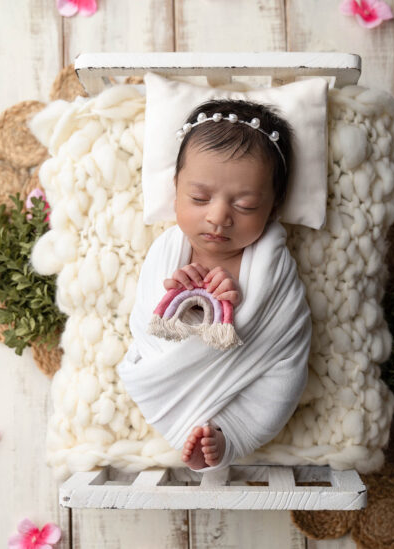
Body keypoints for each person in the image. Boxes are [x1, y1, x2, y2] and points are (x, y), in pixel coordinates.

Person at [117, 97, 311, 473]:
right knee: (138, 366)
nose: (218, 216)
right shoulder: (168, 249)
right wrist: (178, 305)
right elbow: (145, 325)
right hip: (169, 376)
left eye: (245, 205)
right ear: (175, 190)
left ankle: (230, 435)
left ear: (273, 207)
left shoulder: (271, 262)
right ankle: (194, 432)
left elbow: (281, 332)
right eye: (199, 198)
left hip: (254, 374)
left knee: (283, 383)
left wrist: (238, 304)